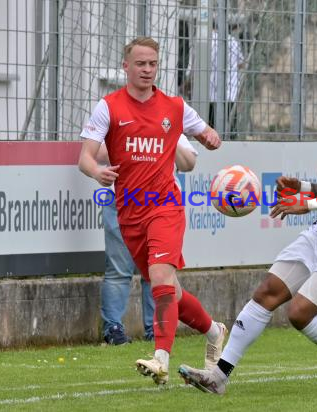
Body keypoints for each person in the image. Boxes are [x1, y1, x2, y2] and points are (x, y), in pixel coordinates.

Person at [178, 76, 317, 396]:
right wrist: (304, 187)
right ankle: (219, 377)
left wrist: (307, 203)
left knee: (299, 313)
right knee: (268, 291)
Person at [78, 36, 227, 385]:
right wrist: (97, 171)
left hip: (165, 205)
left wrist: (210, 137)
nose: (147, 70)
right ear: (125, 66)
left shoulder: (174, 107)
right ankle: (213, 330)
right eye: (140, 64)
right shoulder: (109, 107)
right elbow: (85, 156)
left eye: (153, 64)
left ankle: (160, 358)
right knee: (169, 291)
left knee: (159, 277)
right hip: (129, 212)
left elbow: (206, 133)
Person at [96, 135, 199, 345]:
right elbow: (95, 153)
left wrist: (166, 140)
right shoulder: (117, 111)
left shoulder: (170, 117)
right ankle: (113, 329)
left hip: (161, 204)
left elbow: (188, 163)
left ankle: (156, 328)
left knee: (158, 272)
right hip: (123, 200)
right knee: (118, 269)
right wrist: (133, 145)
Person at [209, 23, 245, 137]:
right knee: (231, 125)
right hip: (231, 91)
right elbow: (241, 63)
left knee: (211, 127)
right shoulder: (233, 41)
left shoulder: (206, 41)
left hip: (211, 93)